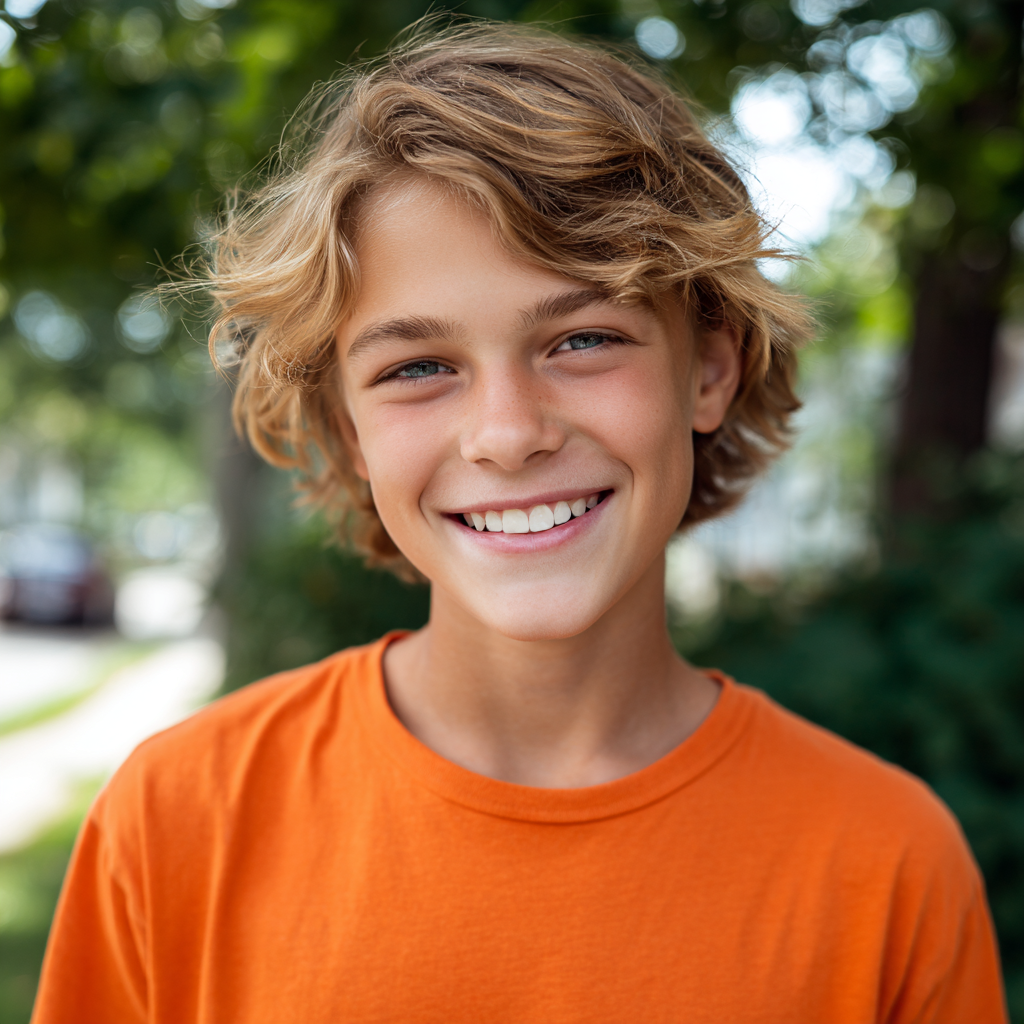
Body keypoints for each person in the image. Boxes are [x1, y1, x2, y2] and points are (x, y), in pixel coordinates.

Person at [32, 19, 1006, 1024]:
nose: (506, 433)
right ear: (347, 429)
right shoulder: (179, 817)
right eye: (417, 368)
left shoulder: (886, 862)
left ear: (708, 368)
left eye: (583, 338)